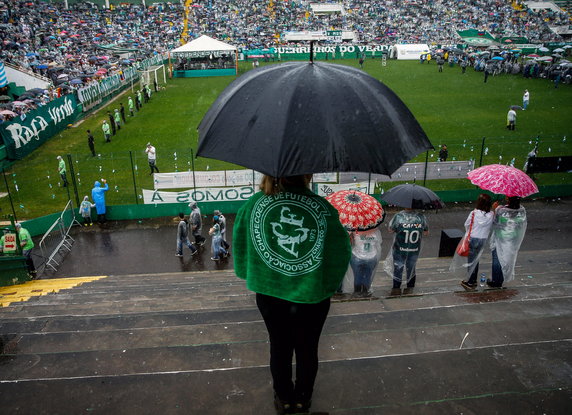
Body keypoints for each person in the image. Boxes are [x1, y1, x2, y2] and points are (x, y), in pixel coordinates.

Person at [233, 174, 351, 414]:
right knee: (308, 349)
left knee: (279, 346)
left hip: (269, 295)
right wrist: (324, 286)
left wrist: (256, 275)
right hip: (312, 298)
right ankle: (303, 399)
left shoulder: (253, 204)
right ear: (308, 175)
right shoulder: (323, 208)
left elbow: (240, 244)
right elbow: (340, 255)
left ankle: (285, 399)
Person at [452, 194, 494, 290]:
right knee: (476, 259)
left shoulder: (474, 213)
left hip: (473, 238)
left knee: (471, 261)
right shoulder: (491, 214)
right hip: (483, 240)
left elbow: (466, 224)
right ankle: (473, 279)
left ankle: (470, 281)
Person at [385, 207, 429, 295]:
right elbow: (426, 232)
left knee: (398, 268)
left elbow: (390, 230)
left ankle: (396, 288)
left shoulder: (398, 216)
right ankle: (410, 287)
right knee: (411, 268)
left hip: (399, 248)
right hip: (414, 248)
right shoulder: (421, 217)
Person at [488, 196, 527, 288]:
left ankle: (496, 281)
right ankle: (500, 280)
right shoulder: (521, 211)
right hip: (512, 239)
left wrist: (494, 209)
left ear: (508, 199)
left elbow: (495, 223)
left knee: (497, 260)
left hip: (501, 239)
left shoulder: (501, 211)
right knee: (506, 260)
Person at [349, 227, 383, 296]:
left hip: (357, 257)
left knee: (357, 276)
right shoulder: (376, 231)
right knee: (367, 276)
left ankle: (357, 292)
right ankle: (365, 292)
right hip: (371, 257)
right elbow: (379, 242)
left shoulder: (354, 231)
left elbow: (350, 243)